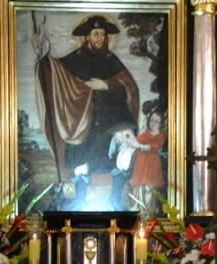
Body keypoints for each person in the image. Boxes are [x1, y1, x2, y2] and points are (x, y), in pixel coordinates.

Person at [34, 14, 140, 210]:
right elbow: (56, 72)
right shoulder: (76, 58)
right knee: (80, 164)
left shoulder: (111, 59)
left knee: (111, 163)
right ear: (87, 36)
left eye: (103, 34)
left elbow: (128, 88)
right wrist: (43, 56)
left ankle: (115, 202)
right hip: (81, 123)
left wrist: (105, 85)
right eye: (96, 34)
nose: (100, 38)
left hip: (107, 124)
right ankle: (78, 202)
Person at [130, 111, 166, 214]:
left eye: (156, 121)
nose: (153, 123)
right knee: (138, 185)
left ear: (160, 123)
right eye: (152, 120)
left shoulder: (160, 135)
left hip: (152, 164)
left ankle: (148, 210)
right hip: (141, 163)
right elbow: (138, 140)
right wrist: (132, 141)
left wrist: (142, 146)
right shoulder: (146, 133)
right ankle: (137, 207)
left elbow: (155, 147)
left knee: (149, 186)